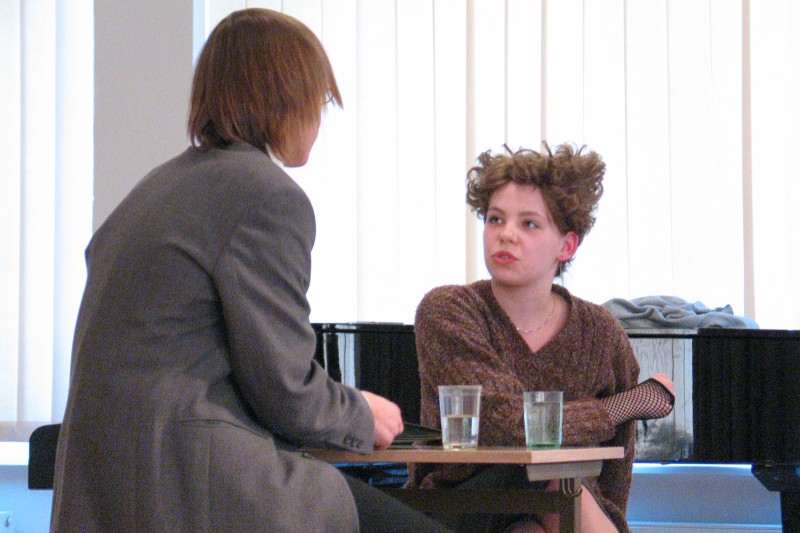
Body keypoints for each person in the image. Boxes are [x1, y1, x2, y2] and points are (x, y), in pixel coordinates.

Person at [51, 9, 452, 532]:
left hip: (108, 483)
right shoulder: (264, 195)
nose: (319, 119)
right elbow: (284, 389)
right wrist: (361, 413)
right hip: (189, 478)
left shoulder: (157, 187)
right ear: (286, 97)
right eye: (319, 100)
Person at [407, 143, 676, 533]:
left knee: (549, 496)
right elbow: (506, 425)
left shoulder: (600, 333)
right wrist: (624, 405)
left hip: (560, 504)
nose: (505, 235)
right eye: (495, 219)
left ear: (566, 245)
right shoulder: (448, 310)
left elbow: (615, 472)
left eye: (529, 224)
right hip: (461, 504)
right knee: (548, 472)